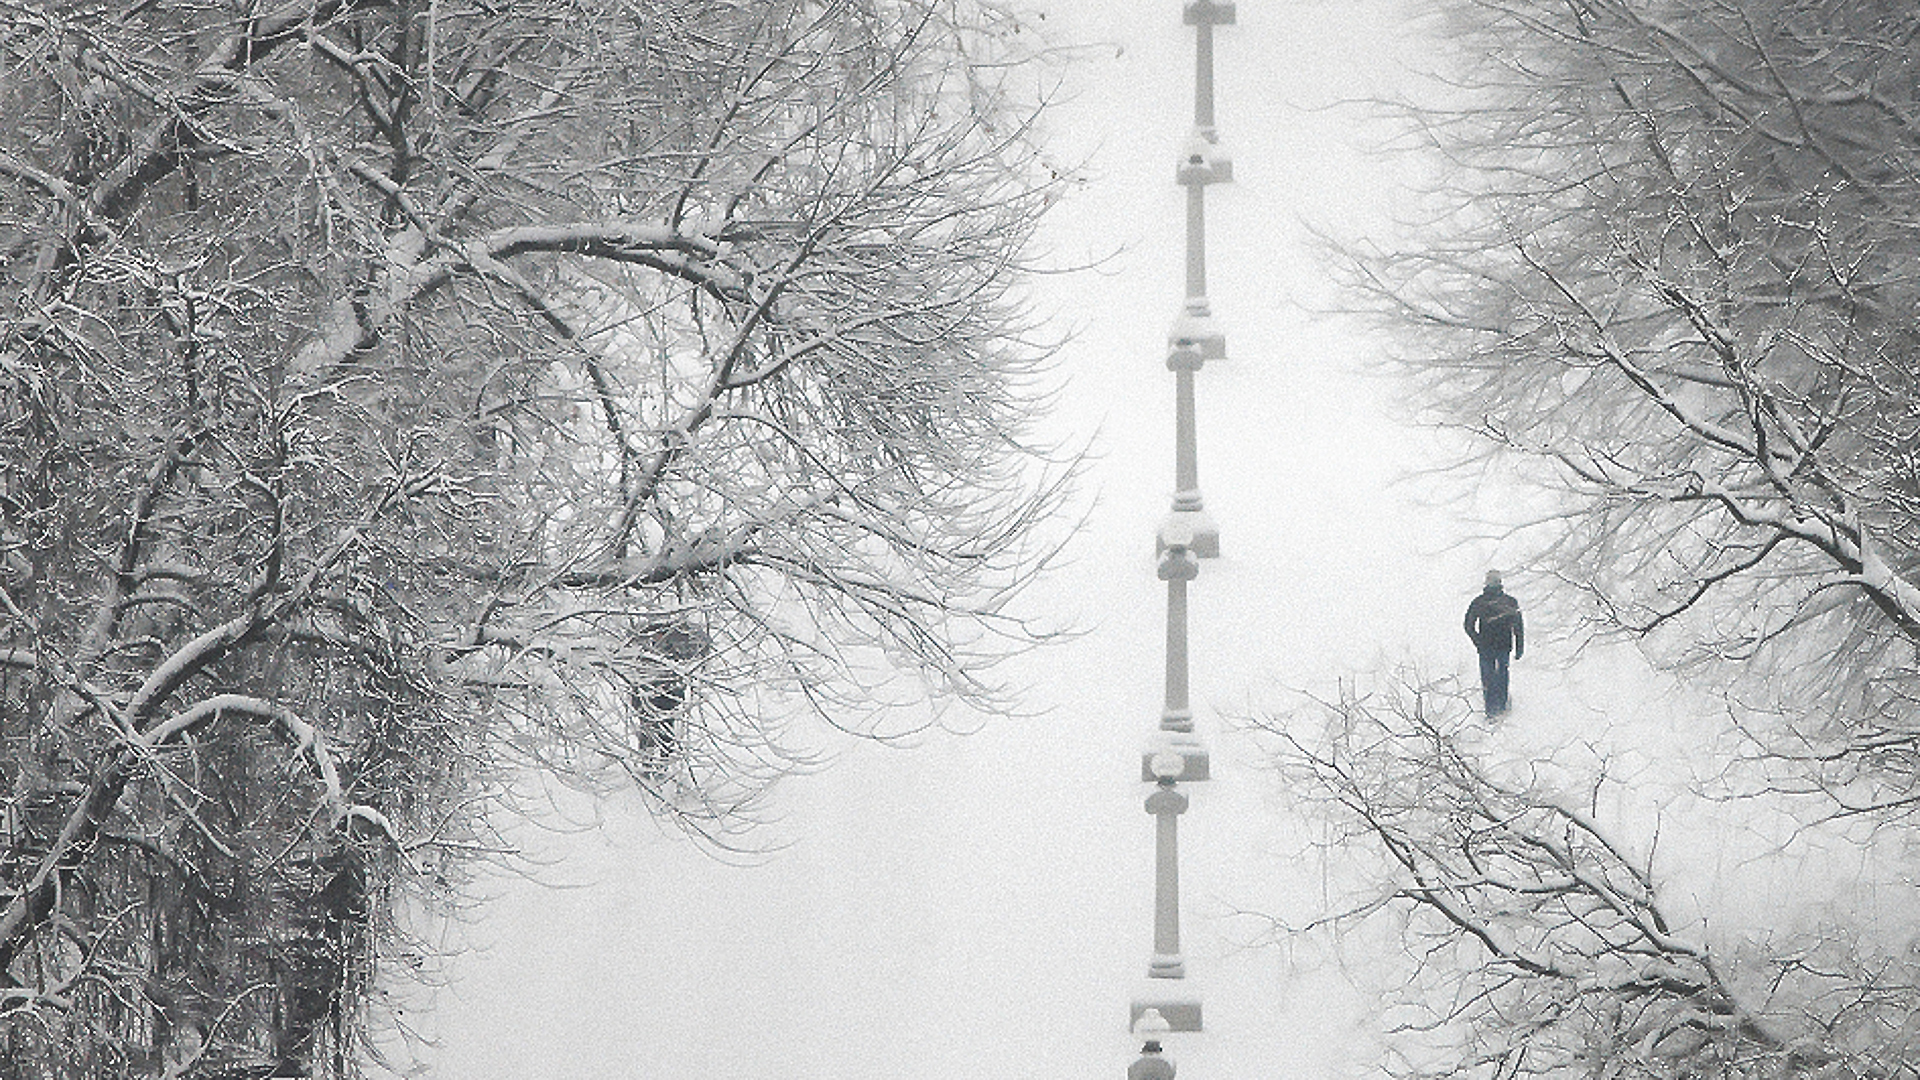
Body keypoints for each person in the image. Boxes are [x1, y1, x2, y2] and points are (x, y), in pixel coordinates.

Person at [1463, 570, 1524, 716]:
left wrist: (1478, 641)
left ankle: (1491, 710)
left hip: (1489, 647)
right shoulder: (1509, 602)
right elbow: (1518, 627)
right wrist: (1519, 647)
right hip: (1501, 646)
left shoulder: (1479, 602)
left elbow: (1468, 626)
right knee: (1501, 675)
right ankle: (1500, 708)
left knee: (1489, 677)